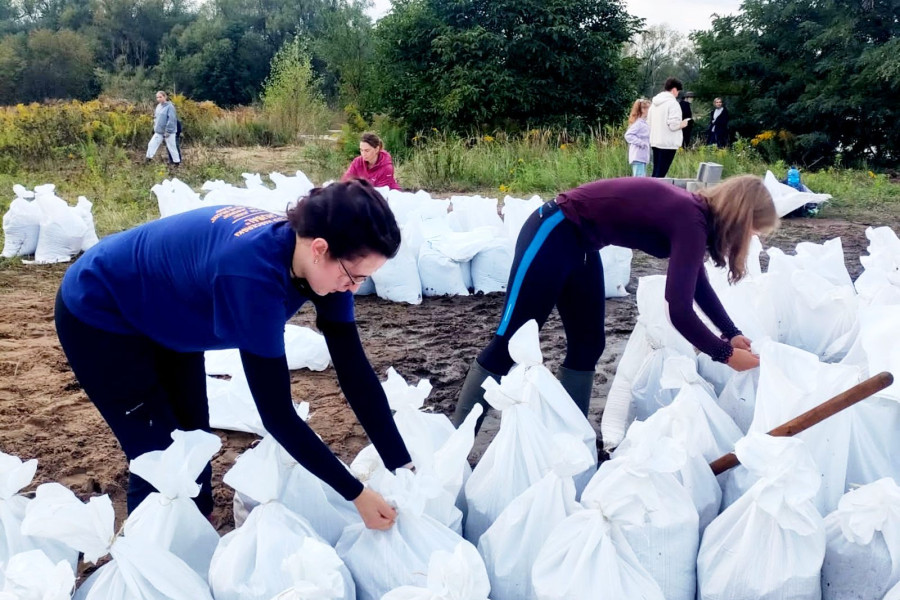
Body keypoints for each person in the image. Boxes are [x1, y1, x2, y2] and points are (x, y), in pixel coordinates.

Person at [55, 179, 413, 531]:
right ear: (320, 248)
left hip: (169, 310)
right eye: (354, 276)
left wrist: (401, 465)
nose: (353, 288)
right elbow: (277, 415)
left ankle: (197, 525)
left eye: (364, 279)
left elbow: (356, 373)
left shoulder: (325, 264)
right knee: (158, 452)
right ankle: (154, 558)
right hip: (101, 310)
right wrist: (356, 494)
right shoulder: (253, 279)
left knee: (194, 433)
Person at [452, 175, 777, 431]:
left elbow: (696, 286)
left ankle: (569, 437)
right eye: (751, 232)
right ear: (738, 218)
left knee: (589, 344)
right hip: (553, 230)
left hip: (581, 245)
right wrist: (724, 354)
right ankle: (458, 440)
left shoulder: (695, 220)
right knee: (508, 342)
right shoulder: (690, 218)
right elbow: (678, 309)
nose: (747, 240)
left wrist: (731, 333)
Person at [647, 77, 691, 178]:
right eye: (678, 91)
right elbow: (673, 125)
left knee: (656, 172)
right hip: (668, 143)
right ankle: (656, 193)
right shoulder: (673, 103)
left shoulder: (654, 104)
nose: (677, 94)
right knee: (661, 175)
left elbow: (649, 122)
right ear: (674, 89)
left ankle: (650, 192)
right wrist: (683, 123)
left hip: (655, 141)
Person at [146, 90, 180, 165]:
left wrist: (168, 131)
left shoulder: (170, 107)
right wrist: (154, 127)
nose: (158, 99)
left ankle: (176, 163)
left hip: (168, 132)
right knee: (151, 144)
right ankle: (148, 160)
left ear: (165, 97)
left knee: (171, 147)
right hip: (159, 131)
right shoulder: (158, 106)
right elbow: (156, 118)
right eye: (157, 97)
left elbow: (171, 119)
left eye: (160, 97)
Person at [624, 99, 651, 177]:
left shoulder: (643, 122)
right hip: (638, 156)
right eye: (648, 108)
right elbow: (628, 135)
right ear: (643, 109)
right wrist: (641, 143)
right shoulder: (638, 123)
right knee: (639, 181)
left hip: (642, 157)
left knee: (641, 180)